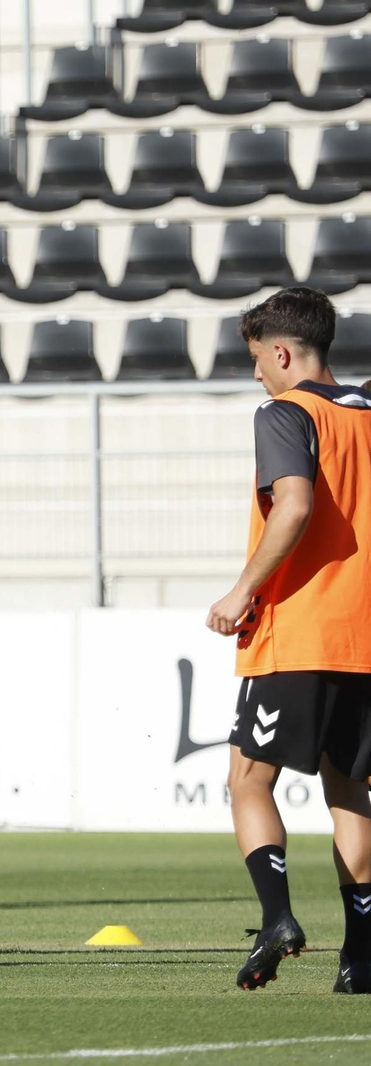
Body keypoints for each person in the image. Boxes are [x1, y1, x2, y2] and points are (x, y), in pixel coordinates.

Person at [206, 287, 371, 993]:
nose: (256, 375)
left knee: (248, 779)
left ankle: (277, 918)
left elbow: (295, 504)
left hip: (300, 630)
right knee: (352, 793)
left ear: (281, 352)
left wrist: (241, 589)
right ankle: (361, 957)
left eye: (255, 360)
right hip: (366, 640)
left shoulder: (285, 411)